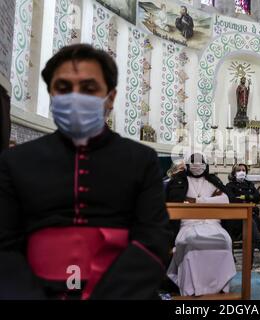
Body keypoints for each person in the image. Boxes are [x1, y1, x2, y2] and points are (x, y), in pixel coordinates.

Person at [0, 44, 171, 299]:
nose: (75, 96)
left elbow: (154, 239)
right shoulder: (15, 161)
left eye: (89, 89)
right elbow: (4, 247)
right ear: (51, 93)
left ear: (110, 98)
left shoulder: (141, 160)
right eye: (63, 88)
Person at [166, 153, 236, 296]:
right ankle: (191, 288)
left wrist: (196, 201)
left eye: (200, 161)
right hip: (188, 223)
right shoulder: (179, 180)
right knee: (191, 241)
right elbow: (175, 202)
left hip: (212, 223)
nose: (197, 165)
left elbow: (225, 200)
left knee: (225, 240)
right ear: (187, 164)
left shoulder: (213, 180)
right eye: (193, 161)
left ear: (206, 164)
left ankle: (220, 286)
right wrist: (210, 199)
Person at [225, 164, 260, 260]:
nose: (241, 172)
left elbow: (257, 197)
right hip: (235, 217)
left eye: (243, 170)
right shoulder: (230, 185)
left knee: (251, 222)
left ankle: (249, 260)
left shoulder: (250, 184)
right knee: (249, 222)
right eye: (239, 170)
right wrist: (248, 199)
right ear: (234, 173)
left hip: (250, 214)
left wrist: (246, 197)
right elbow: (232, 199)